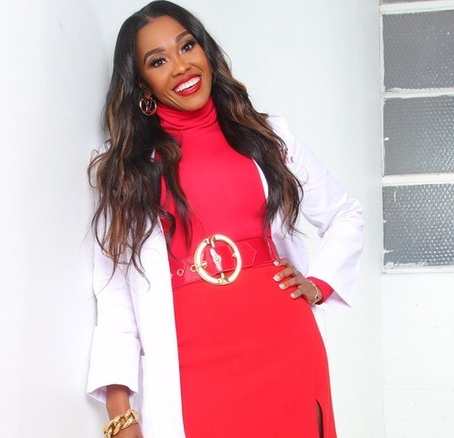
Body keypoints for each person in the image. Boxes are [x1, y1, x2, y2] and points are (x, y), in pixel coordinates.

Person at [85, 1, 363, 437]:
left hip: (284, 345)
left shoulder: (270, 135)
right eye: (158, 61)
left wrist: (320, 284)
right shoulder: (125, 167)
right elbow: (115, 290)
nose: (181, 66)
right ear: (141, 83)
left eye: (187, 46)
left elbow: (345, 214)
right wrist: (120, 411)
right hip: (190, 363)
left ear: (206, 51)